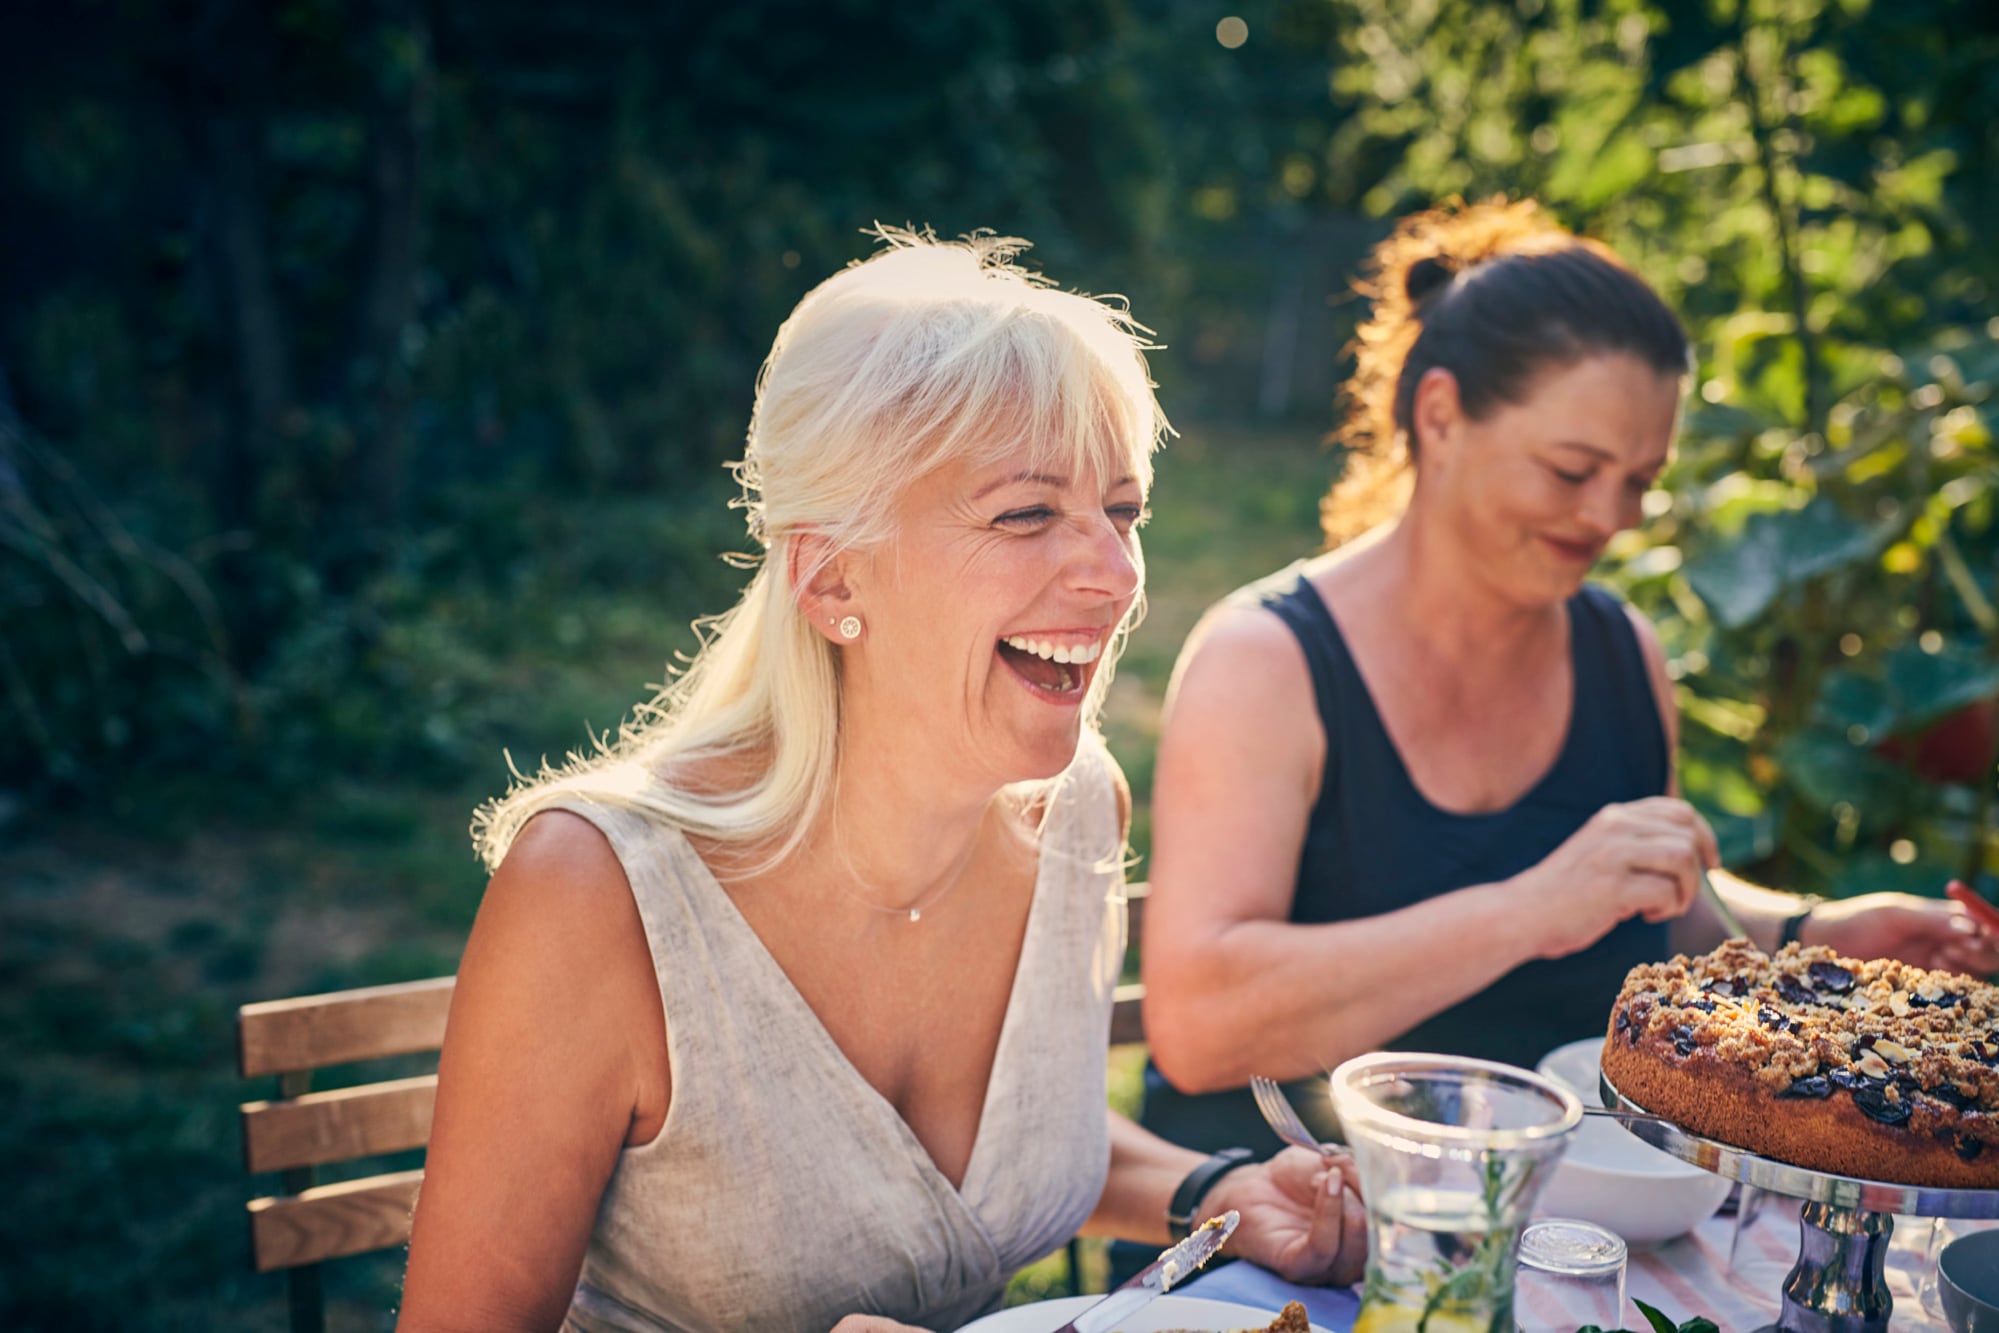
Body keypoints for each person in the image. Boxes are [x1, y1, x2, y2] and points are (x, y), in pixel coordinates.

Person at [395, 230, 1367, 1333]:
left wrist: (1211, 1192)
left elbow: (974, 1171)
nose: (1113, 574)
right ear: (830, 575)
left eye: (1122, 510)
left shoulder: (1079, 810)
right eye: (1025, 512)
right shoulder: (593, 893)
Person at [1132, 198, 1999, 1166]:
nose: (1608, 517)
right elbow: (1199, 1024)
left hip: (1563, 1210)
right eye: (1571, 469)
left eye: (1637, 480)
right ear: (1440, 416)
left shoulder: (1618, 651)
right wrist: (1528, 909)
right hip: (1286, 1228)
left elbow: (1652, 906)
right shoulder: (1264, 663)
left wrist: (1812, 930)